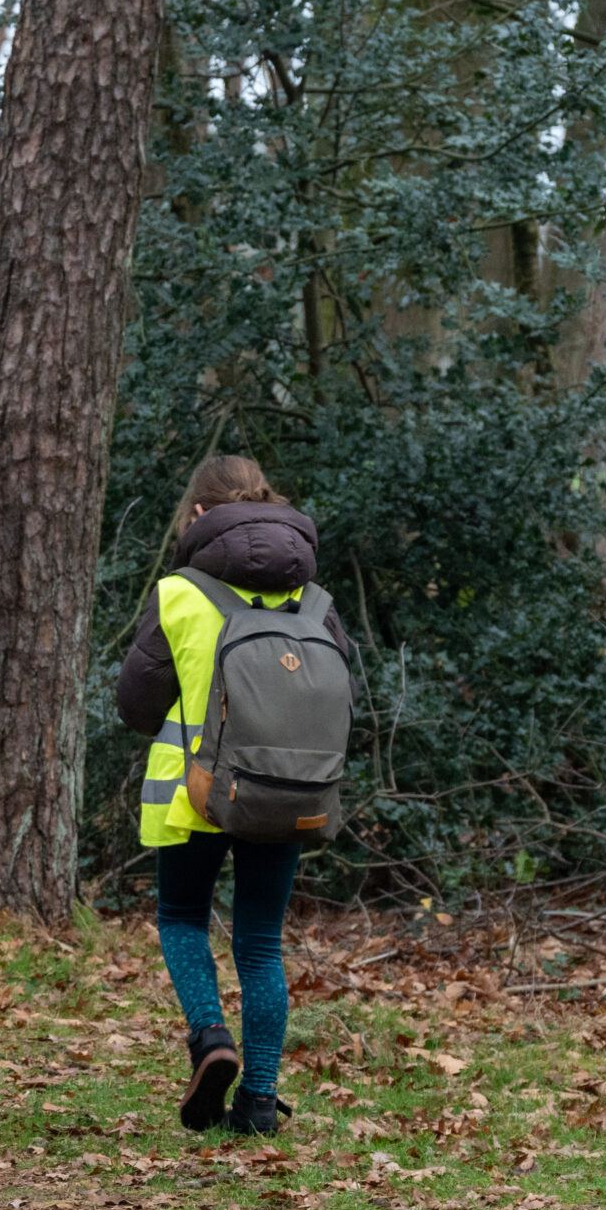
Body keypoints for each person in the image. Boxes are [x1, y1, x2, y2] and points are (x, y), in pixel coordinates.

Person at [114, 455, 348, 1135]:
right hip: (285, 793)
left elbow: (136, 704)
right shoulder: (315, 599)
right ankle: (259, 1099)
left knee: (184, 917)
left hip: (198, 793)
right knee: (259, 943)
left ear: (198, 517)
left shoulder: (180, 594)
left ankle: (210, 1037)